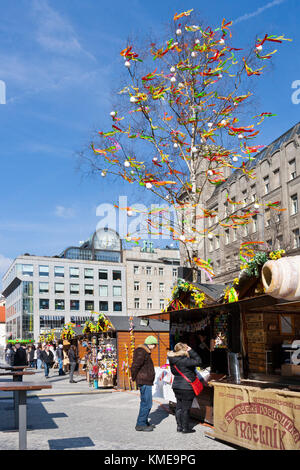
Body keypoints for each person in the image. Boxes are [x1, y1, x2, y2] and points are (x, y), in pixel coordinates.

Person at [168, 342, 202, 434]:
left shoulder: (172, 360)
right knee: (186, 408)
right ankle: (185, 428)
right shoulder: (184, 360)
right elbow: (199, 361)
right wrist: (191, 351)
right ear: (184, 350)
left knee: (179, 406)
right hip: (187, 386)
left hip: (176, 386)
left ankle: (179, 426)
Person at [131, 335, 158, 432]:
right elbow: (135, 365)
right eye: (155, 345)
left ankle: (144, 421)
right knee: (147, 403)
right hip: (144, 381)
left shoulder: (144, 351)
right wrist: (133, 377)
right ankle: (140, 424)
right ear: (151, 344)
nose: (155, 348)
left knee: (145, 402)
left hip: (145, 380)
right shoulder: (142, 351)